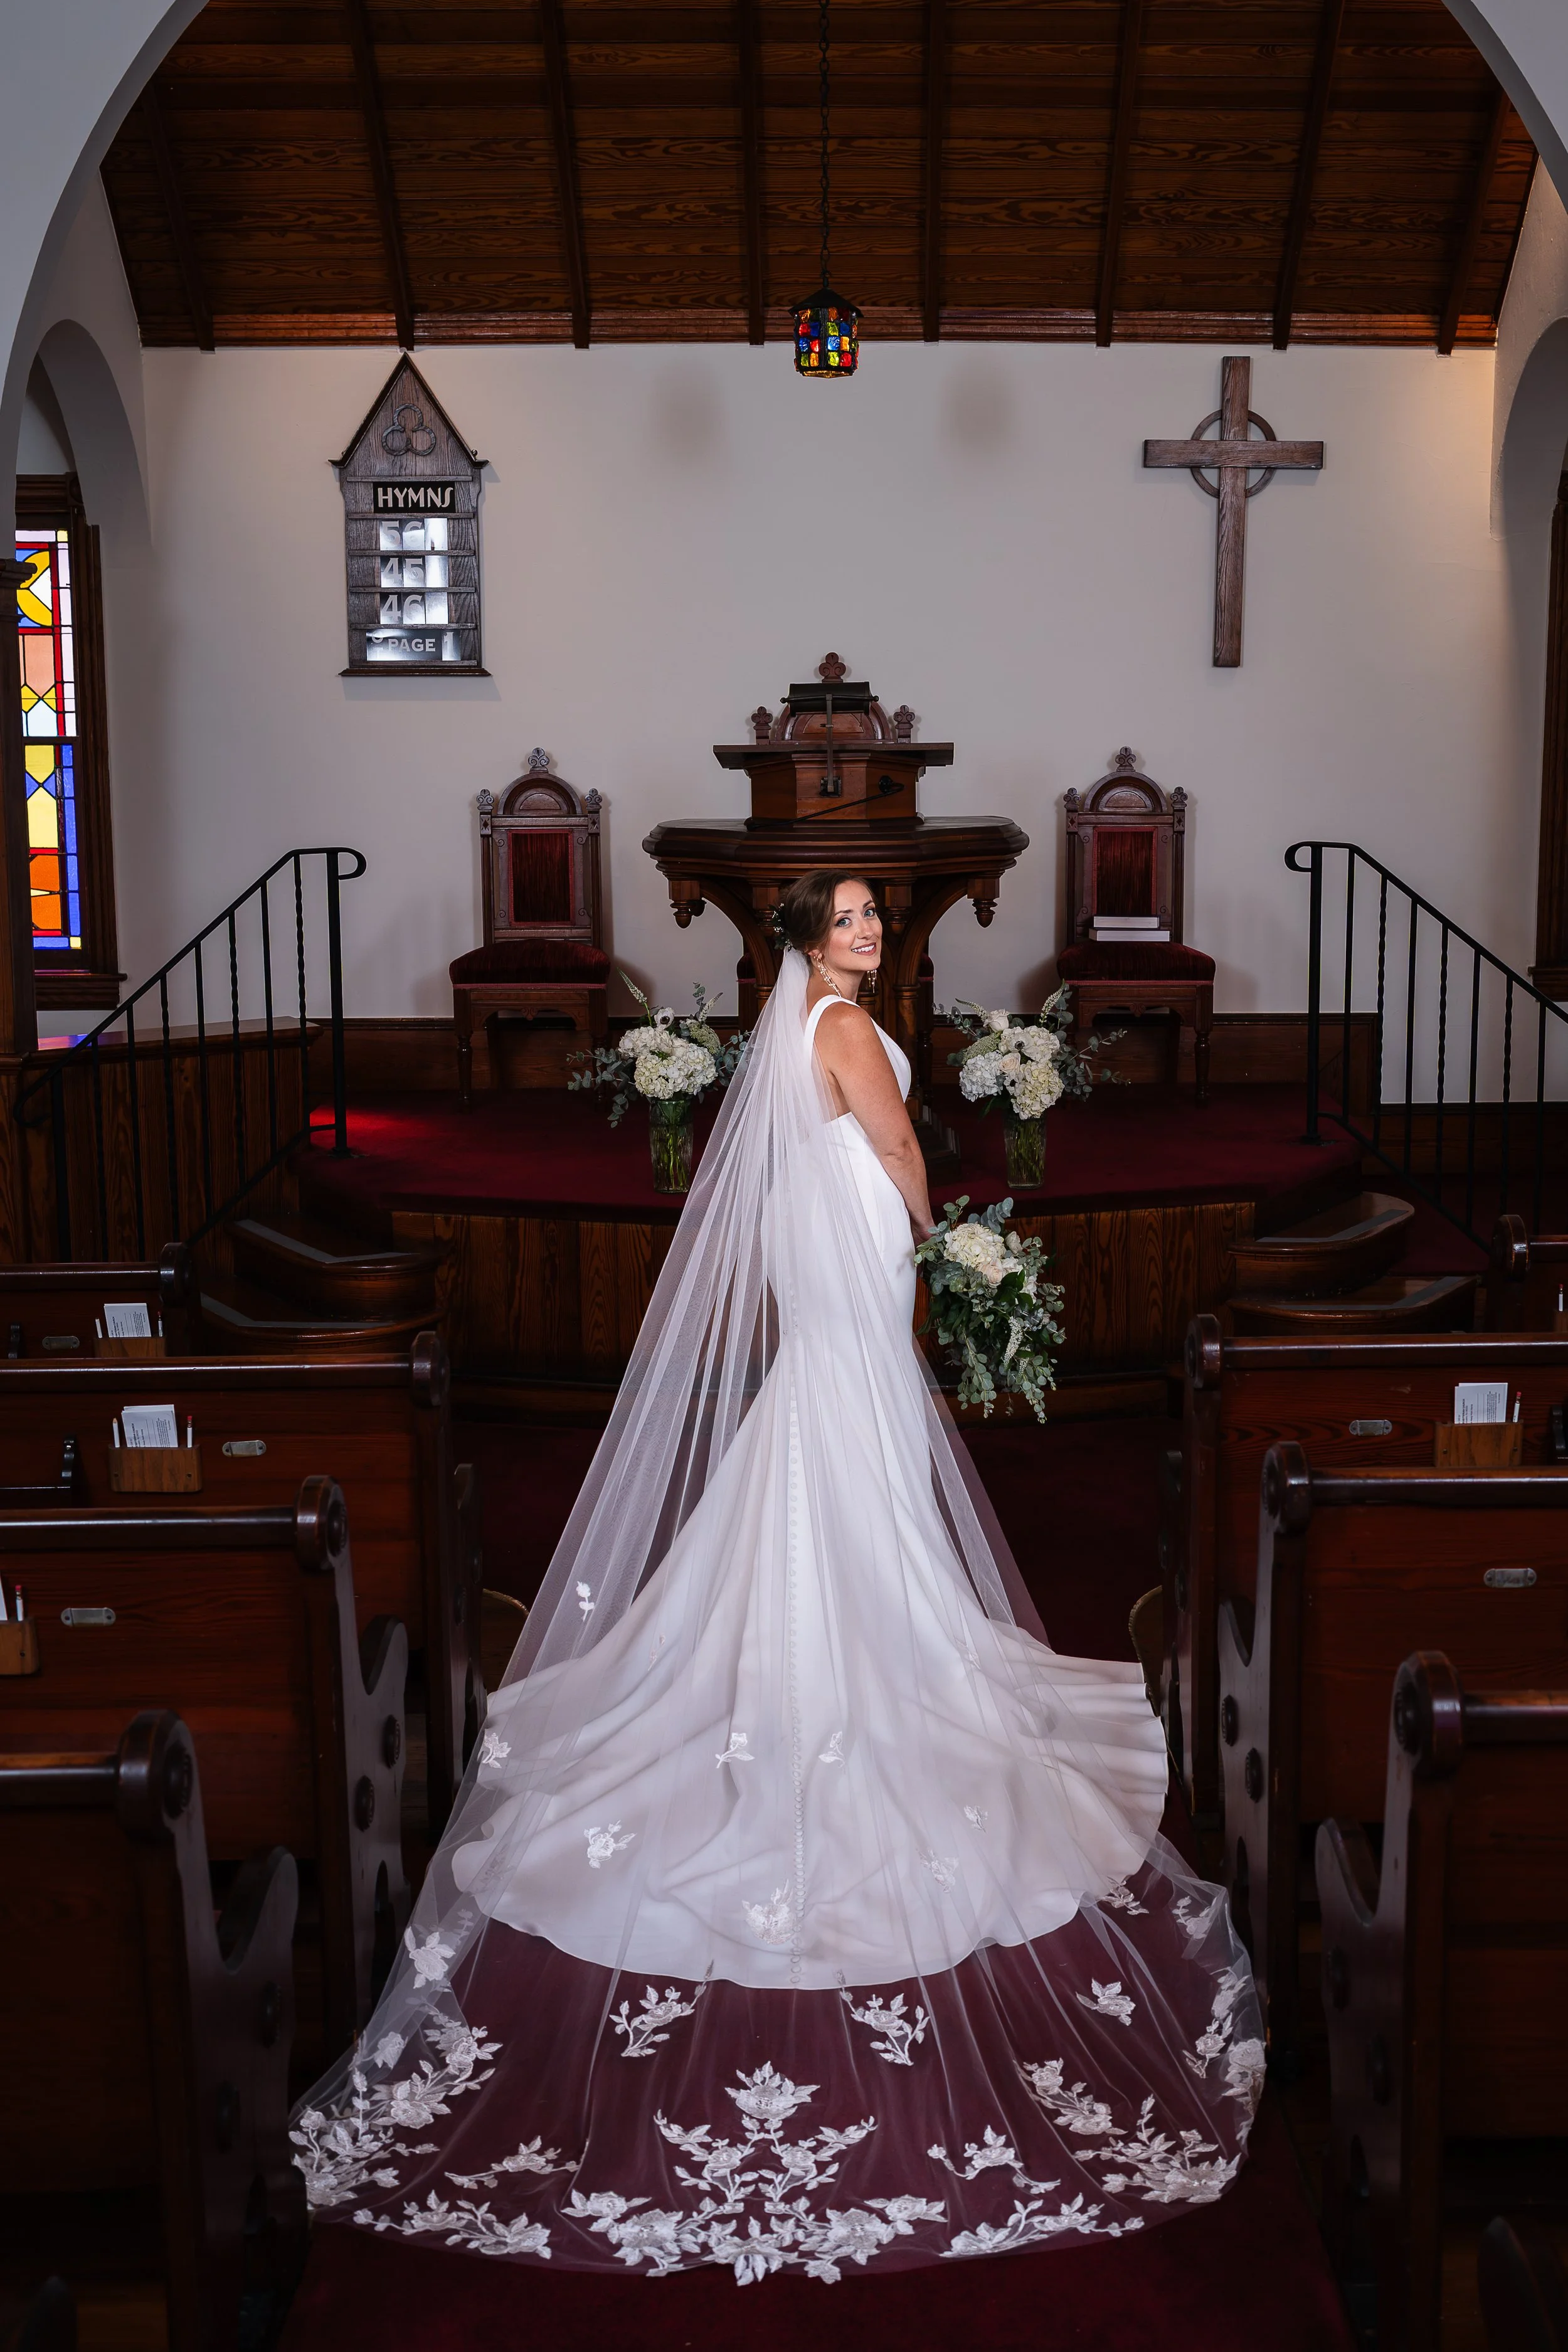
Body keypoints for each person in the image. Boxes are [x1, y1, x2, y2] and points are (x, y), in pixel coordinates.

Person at [292, 871, 1262, 2282]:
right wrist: (947, 1259)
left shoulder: (791, 1025)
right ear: (812, 939)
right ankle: (858, 1666)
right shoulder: (847, 1034)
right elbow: (899, 1160)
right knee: (850, 1460)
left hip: (828, 1277)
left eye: (875, 917)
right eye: (852, 920)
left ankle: (778, 1645)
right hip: (865, 1261)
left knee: (819, 1455)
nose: (869, 935)